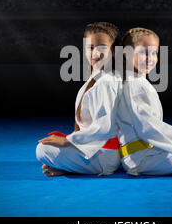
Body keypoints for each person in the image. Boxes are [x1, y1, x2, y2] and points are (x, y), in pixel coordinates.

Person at [116, 27, 172, 176]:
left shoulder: (137, 81)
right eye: (143, 53)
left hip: (142, 153)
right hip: (140, 158)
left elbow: (150, 121)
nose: (150, 58)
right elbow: (147, 125)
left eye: (154, 53)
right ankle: (163, 167)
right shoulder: (134, 84)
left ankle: (167, 166)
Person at [36, 22, 122, 176]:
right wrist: (70, 140)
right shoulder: (94, 80)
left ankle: (78, 167)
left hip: (104, 156)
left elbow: (105, 127)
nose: (95, 53)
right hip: (96, 150)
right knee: (47, 143)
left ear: (114, 51)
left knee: (43, 150)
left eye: (102, 47)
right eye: (90, 47)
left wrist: (68, 141)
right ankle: (71, 168)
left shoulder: (107, 82)